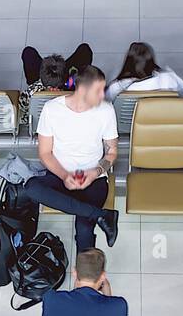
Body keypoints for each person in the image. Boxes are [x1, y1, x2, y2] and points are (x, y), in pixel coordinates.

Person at [20, 65, 121, 253]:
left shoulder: (106, 111)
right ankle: (101, 215)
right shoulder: (52, 109)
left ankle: (86, 278)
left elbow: (112, 152)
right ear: (82, 89)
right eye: (98, 91)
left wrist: (95, 172)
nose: (102, 96)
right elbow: (45, 153)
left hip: (94, 180)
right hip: (60, 176)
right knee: (31, 187)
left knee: (84, 229)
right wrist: (65, 176)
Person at [105, 42, 183, 99]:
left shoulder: (116, 87)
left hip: (129, 124)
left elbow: (108, 104)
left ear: (128, 62)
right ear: (151, 60)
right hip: (168, 123)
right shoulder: (169, 79)